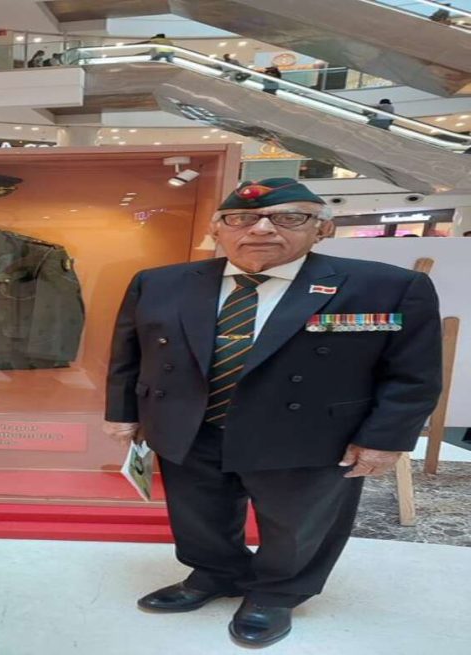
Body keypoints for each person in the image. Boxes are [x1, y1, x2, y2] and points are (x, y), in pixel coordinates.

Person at [103, 178, 442, 648]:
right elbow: (129, 355)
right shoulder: (159, 282)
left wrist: (386, 438)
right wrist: (122, 412)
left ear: (322, 228)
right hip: (190, 425)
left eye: (288, 218)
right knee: (198, 513)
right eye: (240, 219)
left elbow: (412, 373)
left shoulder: (386, 288)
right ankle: (214, 573)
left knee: (297, 524)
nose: (260, 229)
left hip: (308, 434)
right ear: (216, 228)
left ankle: (276, 593)